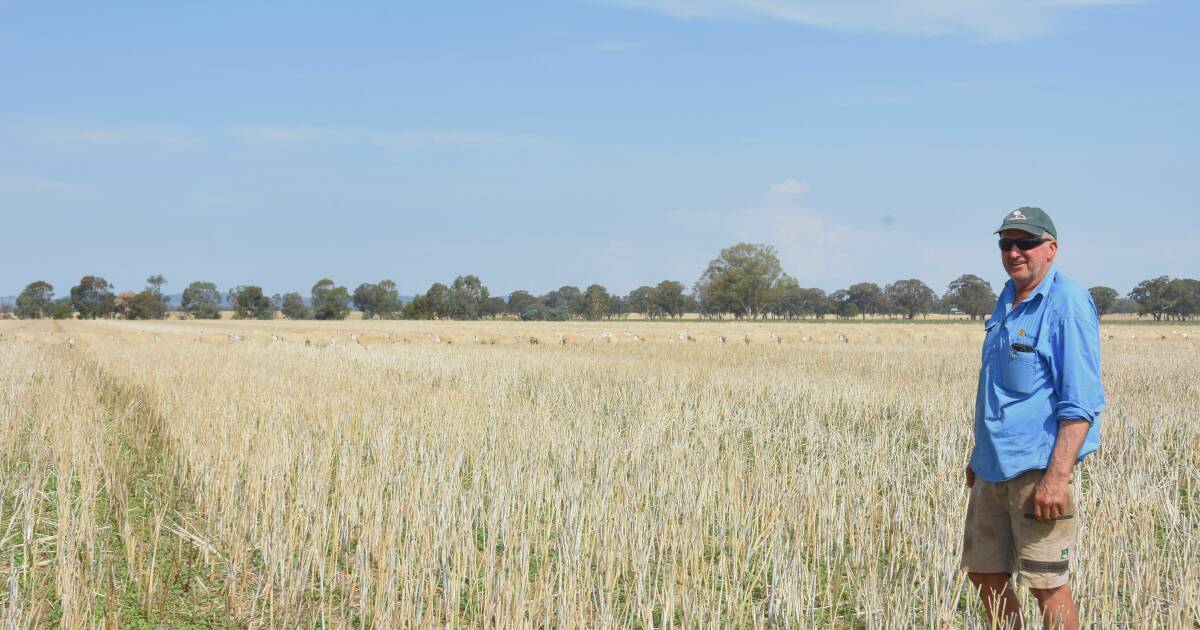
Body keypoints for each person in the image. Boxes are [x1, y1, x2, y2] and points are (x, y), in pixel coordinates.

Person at [961, 207, 1105, 629]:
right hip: (992, 466)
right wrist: (978, 455)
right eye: (1006, 243)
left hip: (1037, 469)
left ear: (1051, 248)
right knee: (984, 573)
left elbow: (1080, 402)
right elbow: (1000, 388)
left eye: (1026, 243)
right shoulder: (1006, 298)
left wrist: (1056, 478)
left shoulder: (1068, 304)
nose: (1015, 252)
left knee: (1046, 583)